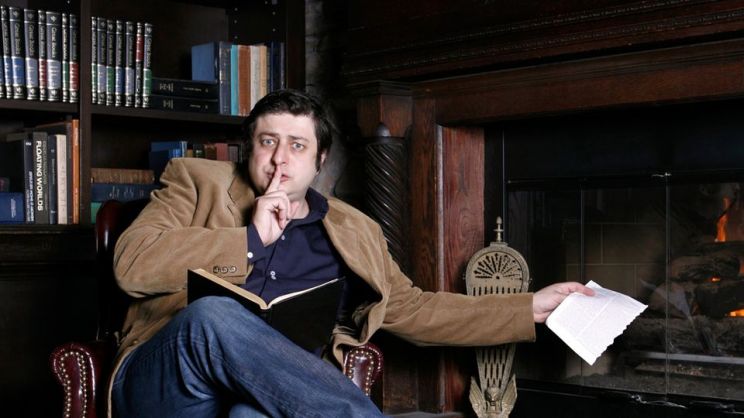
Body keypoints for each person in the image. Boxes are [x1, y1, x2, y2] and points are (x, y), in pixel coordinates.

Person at [110, 89, 593, 418]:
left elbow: (414, 309)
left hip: (277, 395)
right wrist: (249, 240)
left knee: (250, 414)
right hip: (168, 382)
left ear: (320, 160)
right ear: (248, 149)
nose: (280, 158)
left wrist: (528, 307)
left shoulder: (354, 229)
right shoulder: (195, 181)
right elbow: (131, 265)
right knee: (211, 315)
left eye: (297, 145)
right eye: (268, 142)